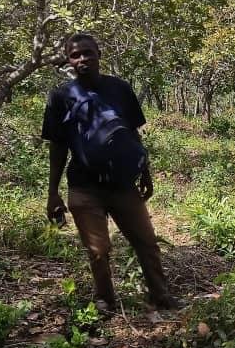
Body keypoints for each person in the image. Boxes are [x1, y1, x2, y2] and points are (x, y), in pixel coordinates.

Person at [42, 33, 179, 312]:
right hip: (83, 186)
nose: (82, 59)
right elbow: (57, 147)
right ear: (68, 60)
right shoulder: (61, 97)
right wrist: (53, 192)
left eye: (88, 53)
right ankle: (104, 299)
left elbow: (131, 134)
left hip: (122, 184)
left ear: (99, 54)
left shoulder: (120, 89)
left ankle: (160, 295)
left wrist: (144, 171)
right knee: (98, 249)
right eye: (75, 55)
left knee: (147, 242)